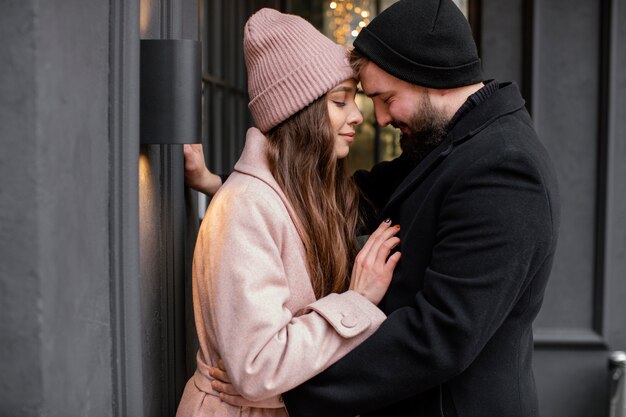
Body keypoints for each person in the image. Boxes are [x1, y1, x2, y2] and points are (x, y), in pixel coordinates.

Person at [196, 0, 561, 416]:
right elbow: (350, 198)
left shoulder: (503, 167)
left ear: (432, 78)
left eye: (385, 98)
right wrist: (227, 185)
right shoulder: (449, 140)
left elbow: (439, 336)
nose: (380, 118)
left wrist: (287, 390)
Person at [175, 8, 402, 417]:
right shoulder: (247, 206)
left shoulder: (308, 197)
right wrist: (358, 300)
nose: (357, 116)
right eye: (339, 102)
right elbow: (259, 367)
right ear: (298, 114)